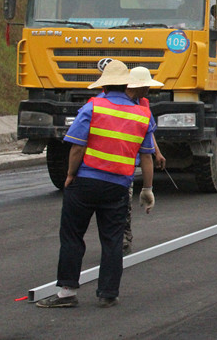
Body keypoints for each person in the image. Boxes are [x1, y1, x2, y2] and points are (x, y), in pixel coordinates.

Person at [37, 60, 157, 309]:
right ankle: (108, 293)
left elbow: (78, 146)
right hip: (118, 187)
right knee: (113, 239)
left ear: (104, 85)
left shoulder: (93, 106)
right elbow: (147, 156)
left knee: (72, 236)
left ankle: (67, 292)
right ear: (127, 84)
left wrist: (70, 175)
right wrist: (147, 188)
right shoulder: (143, 114)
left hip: (85, 182)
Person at [123, 67, 166, 255]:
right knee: (122, 206)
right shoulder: (120, 103)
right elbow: (145, 155)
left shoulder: (143, 103)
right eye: (146, 85)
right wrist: (148, 189)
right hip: (123, 167)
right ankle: (121, 241)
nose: (149, 89)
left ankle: (122, 240)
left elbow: (146, 132)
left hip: (118, 167)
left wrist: (157, 151)